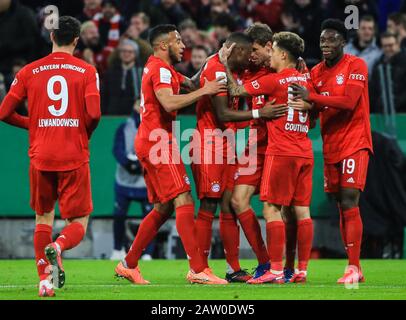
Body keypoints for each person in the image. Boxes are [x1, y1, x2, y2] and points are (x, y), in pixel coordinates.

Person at [114, 24, 228, 285]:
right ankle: (198, 269)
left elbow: (192, 82)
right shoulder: (159, 70)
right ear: (164, 45)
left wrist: (215, 59)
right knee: (183, 197)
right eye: (178, 41)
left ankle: (128, 264)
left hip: (154, 140)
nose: (183, 46)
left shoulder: (162, 68)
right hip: (157, 142)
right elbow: (169, 101)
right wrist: (205, 92)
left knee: (163, 208)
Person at [0, 16, 101, 297]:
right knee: (78, 222)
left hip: (41, 155)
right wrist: (84, 133)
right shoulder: (86, 70)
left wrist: (32, 124)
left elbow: (4, 112)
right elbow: (94, 114)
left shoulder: (29, 71)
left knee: (43, 218)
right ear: (77, 40)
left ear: (52, 38)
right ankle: (59, 246)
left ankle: (45, 282)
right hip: (73, 153)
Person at [219, 31, 315, 284]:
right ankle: (295, 269)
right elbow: (315, 111)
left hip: (279, 149)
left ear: (277, 51)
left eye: (267, 51)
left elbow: (235, 91)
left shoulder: (275, 79)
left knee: (274, 209)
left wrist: (222, 62)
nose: (262, 55)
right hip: (300, 149)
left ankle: (277, 268)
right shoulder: (305, 79)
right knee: (299, 210)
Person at [191, 31, 287, 283]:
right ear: (239, 51)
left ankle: (234, 268)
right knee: (210, 204)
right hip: (210, 144)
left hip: (229, 144)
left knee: (228, 204)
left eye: (256, 52)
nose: (251, 59)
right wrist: (259, 113)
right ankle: (199, 268)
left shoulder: (234, 71)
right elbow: (223, 114)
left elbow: (193, 83)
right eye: (249, 52)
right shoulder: (218, 69)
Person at [290, 19, 373, 284]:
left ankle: (354, 266)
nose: (326, 45)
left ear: (343, 42)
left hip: (355, 141)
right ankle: (353, 268)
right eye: (322, 41)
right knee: (341, 204)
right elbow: (313, 110)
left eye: (332, 40)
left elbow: (348, 102)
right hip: (331, 145)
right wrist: (305, 96)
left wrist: (311, 97)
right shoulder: (315, 72)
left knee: (350, 200)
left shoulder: (356, 65)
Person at [110, 108, 154, 261]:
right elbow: (117, 150)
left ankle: (147, 252)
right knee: (119, 215)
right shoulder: (124, 127)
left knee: (150, 217)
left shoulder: (151, 126)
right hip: (124, 180)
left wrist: (142, 164)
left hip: (145, 181)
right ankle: (117, 249)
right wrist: (130, 164)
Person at [101, 39, 142, 115]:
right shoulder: (111, 72)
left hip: (134, 116)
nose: (126, 54)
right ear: (119, 53)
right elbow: (104, 94)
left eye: (130, 52)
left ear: (135, 54)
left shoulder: (141, 72)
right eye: (124, 51)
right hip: (112, 115)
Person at [370, 32, 406, 113]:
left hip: (402, 113)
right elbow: (373, 91)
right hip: (381, 114)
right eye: (385, 46)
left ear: (397, 44)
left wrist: (394, 104)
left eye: (390, 45)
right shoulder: (378, 65)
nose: (388, 49)